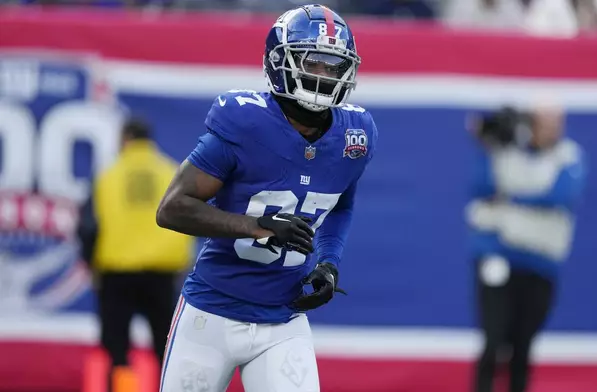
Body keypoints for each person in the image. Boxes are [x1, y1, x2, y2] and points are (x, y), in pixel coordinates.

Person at [155, 4, 377, 392]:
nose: (323, 77)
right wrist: (255, 227)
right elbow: (172, 208)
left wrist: (328, 263)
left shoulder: (354, 136)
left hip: (284, 318)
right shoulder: (245, 121)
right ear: (280, 61)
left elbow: (341, 203)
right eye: (313, 63)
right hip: (212, 312)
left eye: (333, 66)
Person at [466, 102, 587, 392]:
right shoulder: (504, 152)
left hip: (541, 264)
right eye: (541, 121)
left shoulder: (568, 157)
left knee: (522, 344)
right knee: (493, 340)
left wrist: (510, 199)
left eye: (554, 122)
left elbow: (560, 195)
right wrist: (487, 142)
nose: (548, 128)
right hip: (499, 257)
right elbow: (481, 188)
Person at [77, 118, 194, 391]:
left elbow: (88, 226)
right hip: (162, 272)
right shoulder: (171, 172)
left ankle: (122, 386)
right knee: (165, 347)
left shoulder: (108, 175)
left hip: (117, 271)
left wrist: (90, 262)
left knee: (117, 347)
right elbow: (189, 216)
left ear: (126, 139)